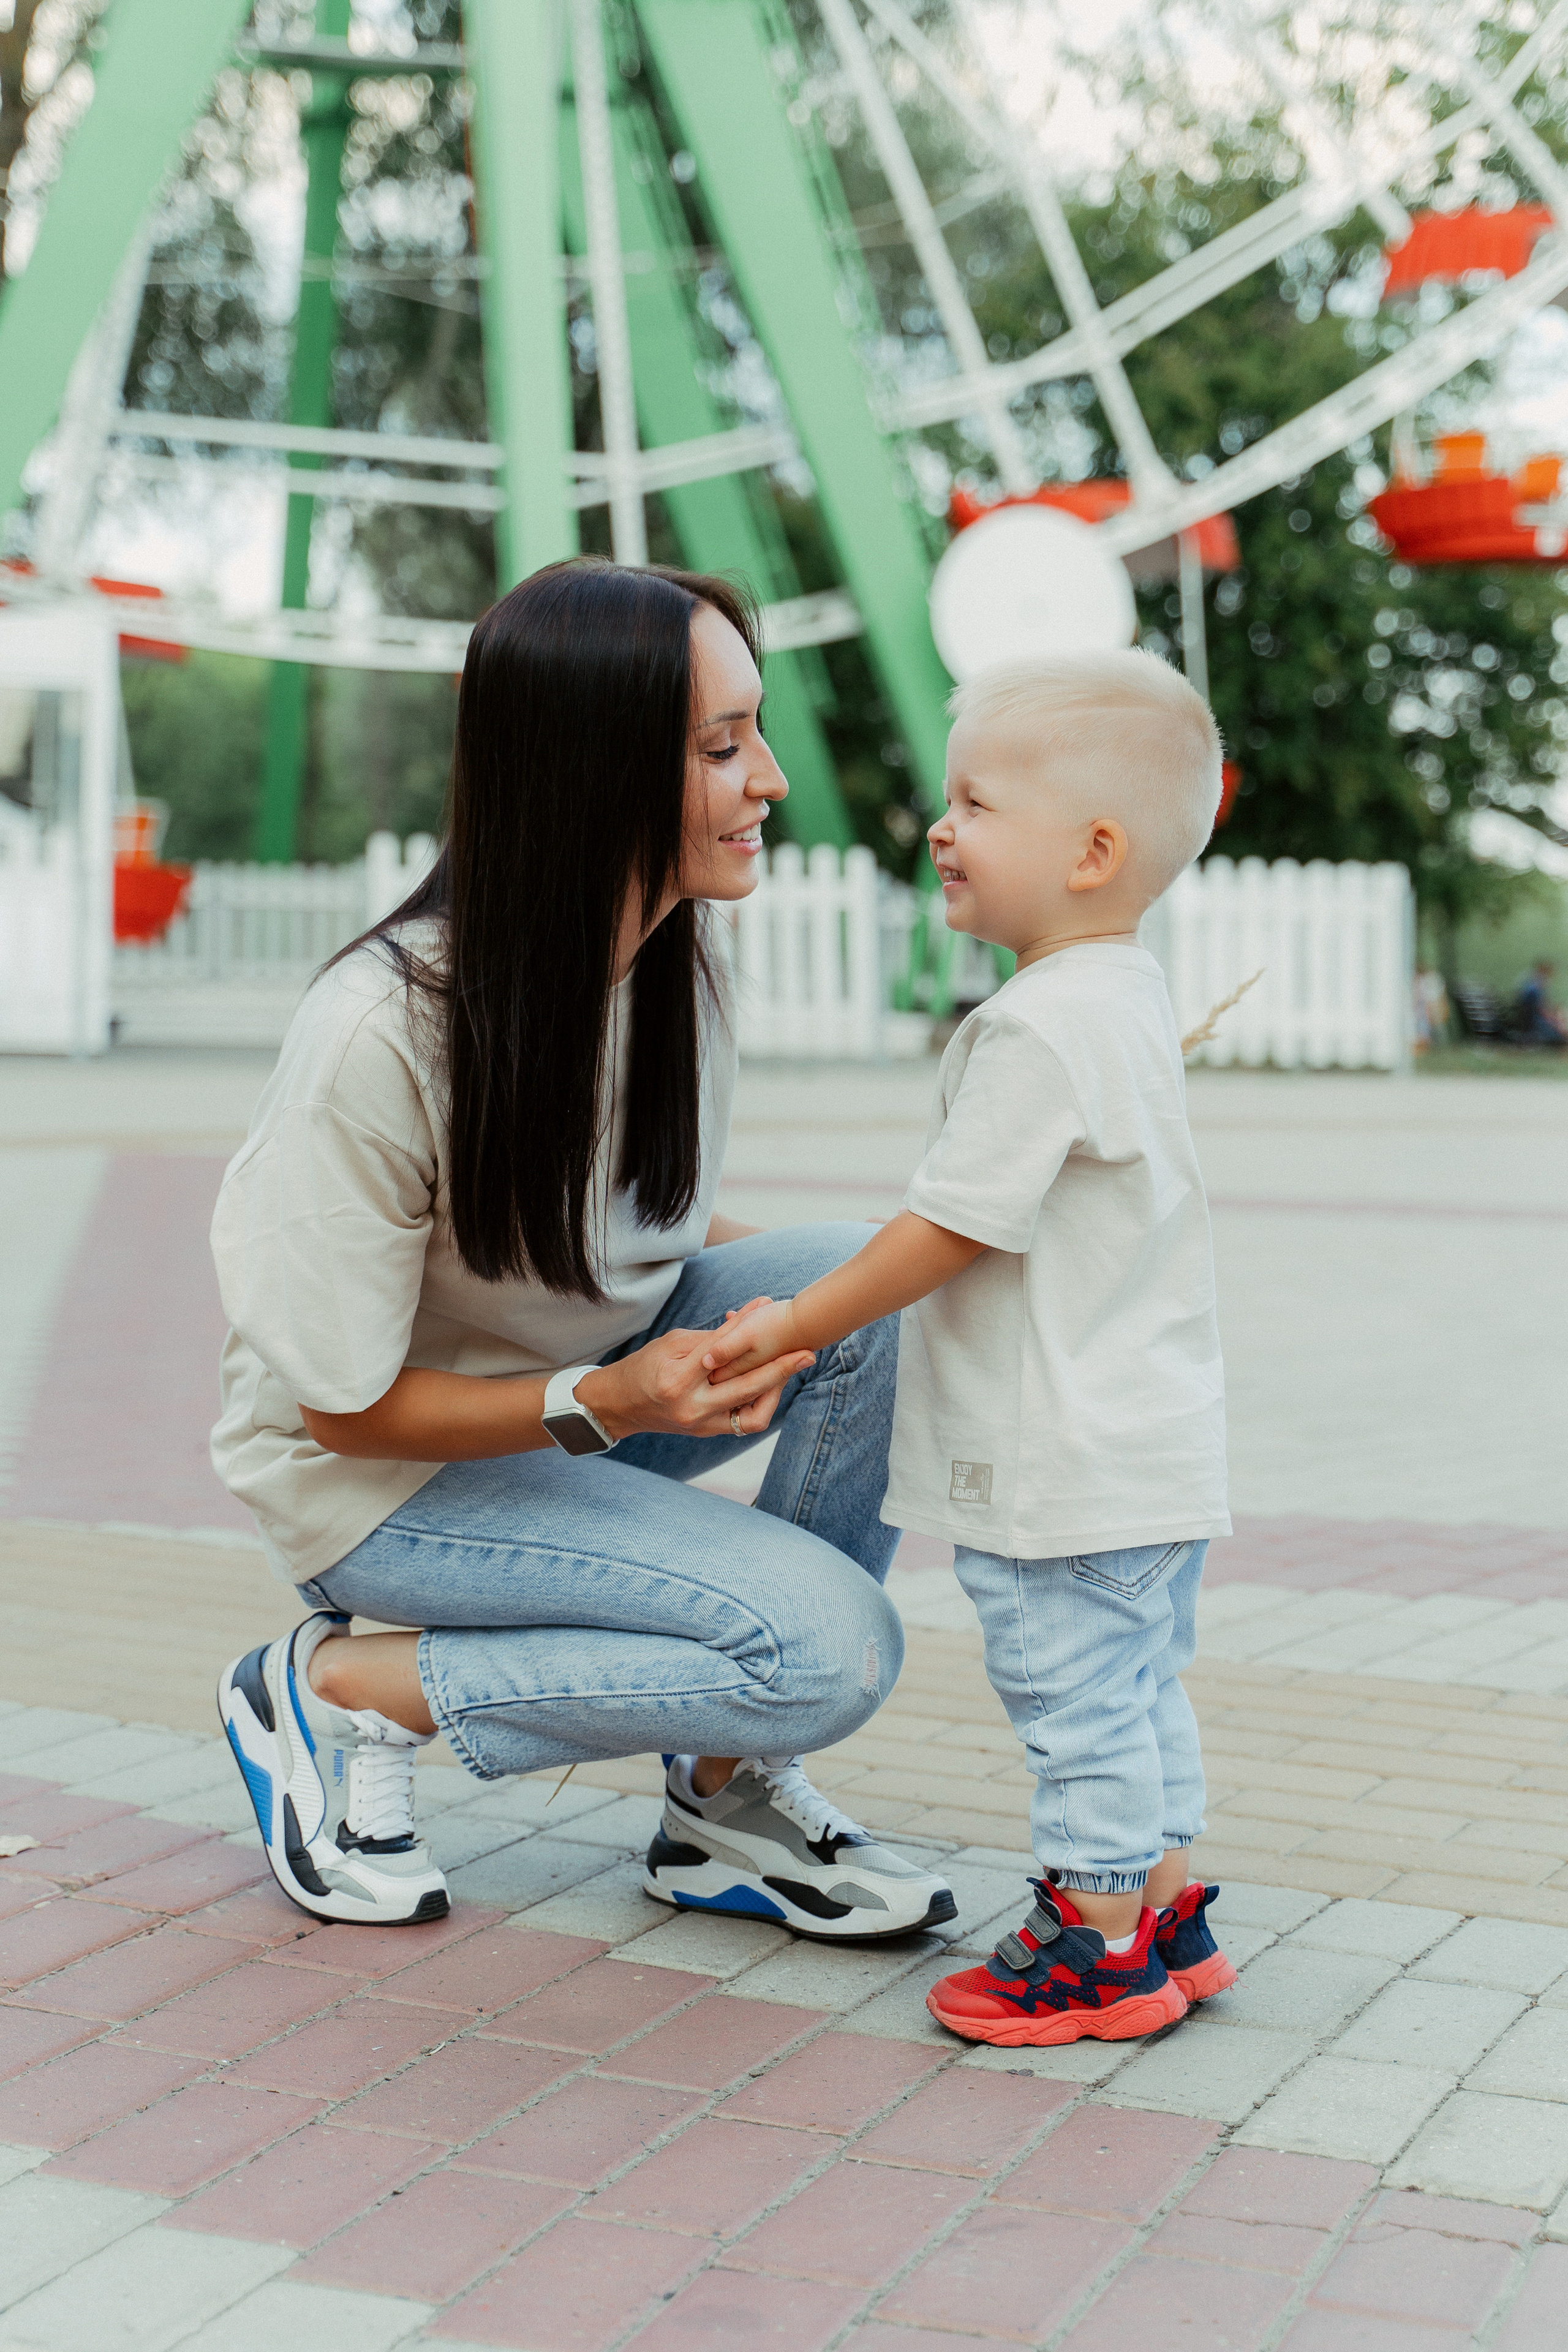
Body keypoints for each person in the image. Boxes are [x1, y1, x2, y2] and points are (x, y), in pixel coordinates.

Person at [209, 558, 954, 1945]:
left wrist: (835, 1295)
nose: (771, 778)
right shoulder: (383, 1034)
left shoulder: (666, 972)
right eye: (723, 746)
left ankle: (721, 1799)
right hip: (376, 1479)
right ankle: (340, 1690)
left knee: (868, 1290)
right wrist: (610, 1402)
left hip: (562, 1415)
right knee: (824, 1646)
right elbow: (338, 1404)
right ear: (595, 765)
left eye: (756, 733)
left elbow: (641, 1238)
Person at [704, 649, 1235, 2047]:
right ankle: (1165, 1909)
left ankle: (1092, 1941)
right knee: (1132, 1687)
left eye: (976, 803)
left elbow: (949, 1224)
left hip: (1057, 1467)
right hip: (1149, 1450)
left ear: (1090, 850)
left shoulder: (1036, 1026)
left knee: (1070, 1703)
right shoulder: (1120, 993)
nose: (940, 827)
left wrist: (795, 1317)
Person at [1515, 959, 1567, 1048]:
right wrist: (1555, 1019)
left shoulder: (1530, 985)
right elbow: (1541, 1010)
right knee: (1561, 1034)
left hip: (1532, 1019)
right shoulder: (1534, 989)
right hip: (1536, 1022)